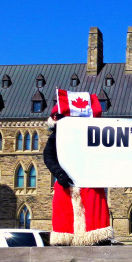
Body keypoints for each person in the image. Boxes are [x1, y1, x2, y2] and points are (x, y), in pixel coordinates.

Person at [43, 93, 116, 246]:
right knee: (65, 221)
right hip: (66, 184)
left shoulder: (94, 135)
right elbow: (49, 157)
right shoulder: (57, 136)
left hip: (90, 183)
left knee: (96, 223)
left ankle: (99, 242)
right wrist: (59, 173)